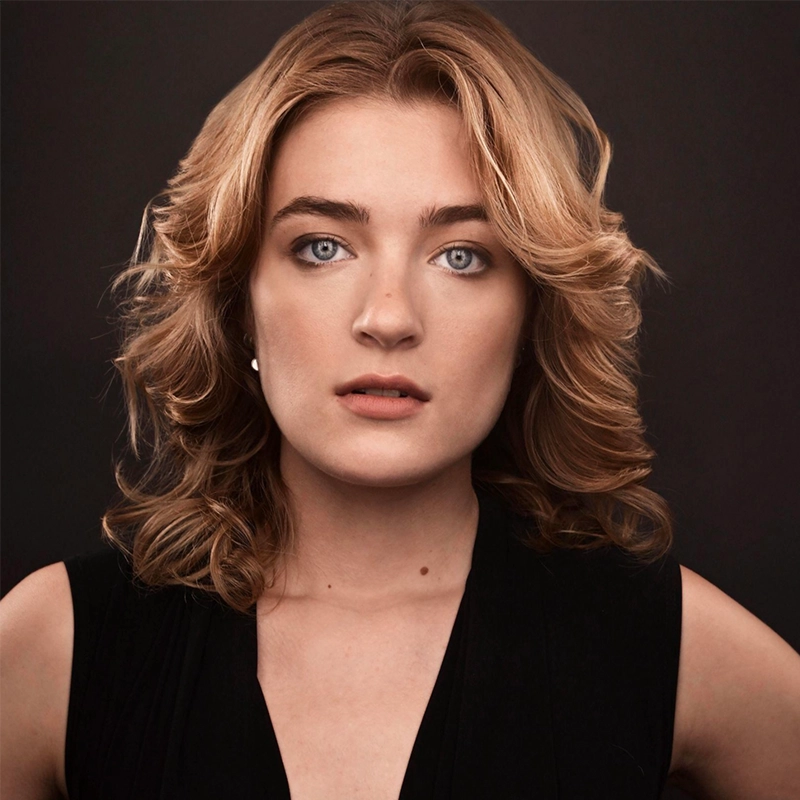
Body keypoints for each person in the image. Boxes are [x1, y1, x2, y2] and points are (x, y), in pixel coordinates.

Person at [1, 1, 798, 798]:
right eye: (322, 247)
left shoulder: (665, 643)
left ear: (530, 314)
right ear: (239, 299)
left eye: (460, 256)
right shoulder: (53, 647)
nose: (387, 317)